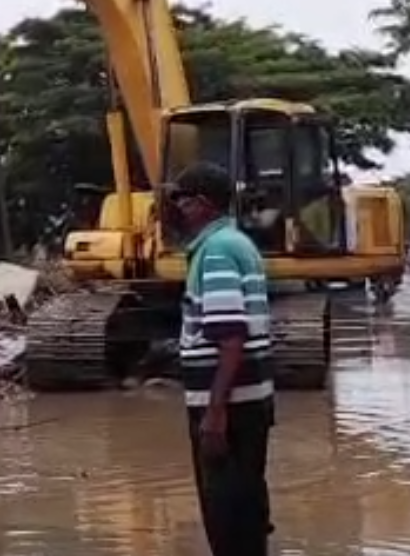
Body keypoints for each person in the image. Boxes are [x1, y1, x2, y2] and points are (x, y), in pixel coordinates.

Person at [170, 160, 275, 556]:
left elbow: (230, 336)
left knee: (227, 517)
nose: (177, 208)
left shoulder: (215, 252)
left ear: (202, 203)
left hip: (229, 407)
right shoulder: (237, 243)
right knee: (246, 509)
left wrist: (215, 413)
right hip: (249, 399)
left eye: (182, 200)